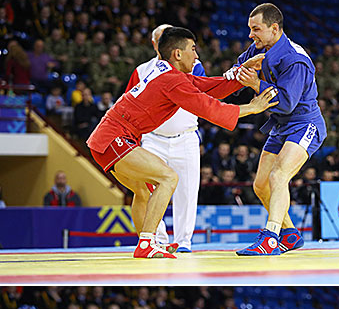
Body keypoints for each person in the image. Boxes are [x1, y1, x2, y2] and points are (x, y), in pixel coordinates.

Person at [87, 26, 277, 258]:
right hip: (116, 137)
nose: (196, 56)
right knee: (168, 178)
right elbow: (211, 109)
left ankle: (147, 244)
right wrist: (253, 107)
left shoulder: (165, 73)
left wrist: (241, 72)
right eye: (193, 50)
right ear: (178, 54)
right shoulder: (172, 81)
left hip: (107, 137)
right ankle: (148, 243)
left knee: (142, 191)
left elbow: (208, 88)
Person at [224, 4, 326, 256]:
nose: (251, 35)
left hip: (305, 123)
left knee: (279, 176)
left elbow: (287, 101)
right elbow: (237, 73)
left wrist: (256, 83)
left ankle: (270, 238)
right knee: (261, 185)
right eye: (250, 29)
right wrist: (245, 69)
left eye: (255, 29)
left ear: (274, 28)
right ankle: (290, 234)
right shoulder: (260, 47)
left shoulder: (295, 59)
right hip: (281, 125)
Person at [125, 24, 204, 253]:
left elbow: (205, 96)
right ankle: (157, 239)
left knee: (188, 192)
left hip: (186, 136)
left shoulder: (194, 66)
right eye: (160, 39)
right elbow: (130, 105)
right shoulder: (141, 71)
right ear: (154, 44)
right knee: (150, 190)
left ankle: (183, 242)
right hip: (152, 138)